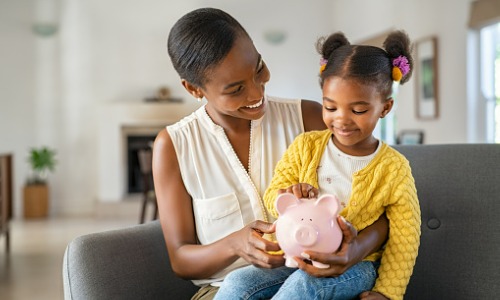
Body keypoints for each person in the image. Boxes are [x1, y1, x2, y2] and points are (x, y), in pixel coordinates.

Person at [152, 8, 389, 300]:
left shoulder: (310, 119)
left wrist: (356, 250)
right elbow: (181, 259)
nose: (256, 93)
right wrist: (234, 245)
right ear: (194, 89)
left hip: (314, 280)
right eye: (236, 89)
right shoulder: (174, 146)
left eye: (258, 68)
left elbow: (384, 202)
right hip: (225, 290)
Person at [214, 31, 421, 300]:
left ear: (385, 107)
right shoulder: (306, 146)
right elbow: (273, 192)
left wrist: (388, 293)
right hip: (297, 254)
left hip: (358, 265)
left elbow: (406, 237)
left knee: (302, 287)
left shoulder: (394, 168)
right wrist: (290, 192)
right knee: (238, 282)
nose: (342, 120)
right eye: (330, 107)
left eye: (358, 110)